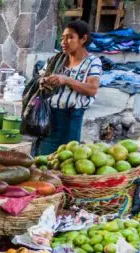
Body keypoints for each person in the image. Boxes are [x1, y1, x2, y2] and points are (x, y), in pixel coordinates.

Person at [30, 20, 102, 155]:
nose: (64, 42)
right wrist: (44, 81)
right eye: (63, 37)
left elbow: (92, 89)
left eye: (70, 37)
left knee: (66, 156)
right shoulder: (56, 59)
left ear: (83, 39)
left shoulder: (92, 63)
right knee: (43, 155)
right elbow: (39, 79)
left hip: (71, 116)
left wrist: (66, 80)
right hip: (49, 115)